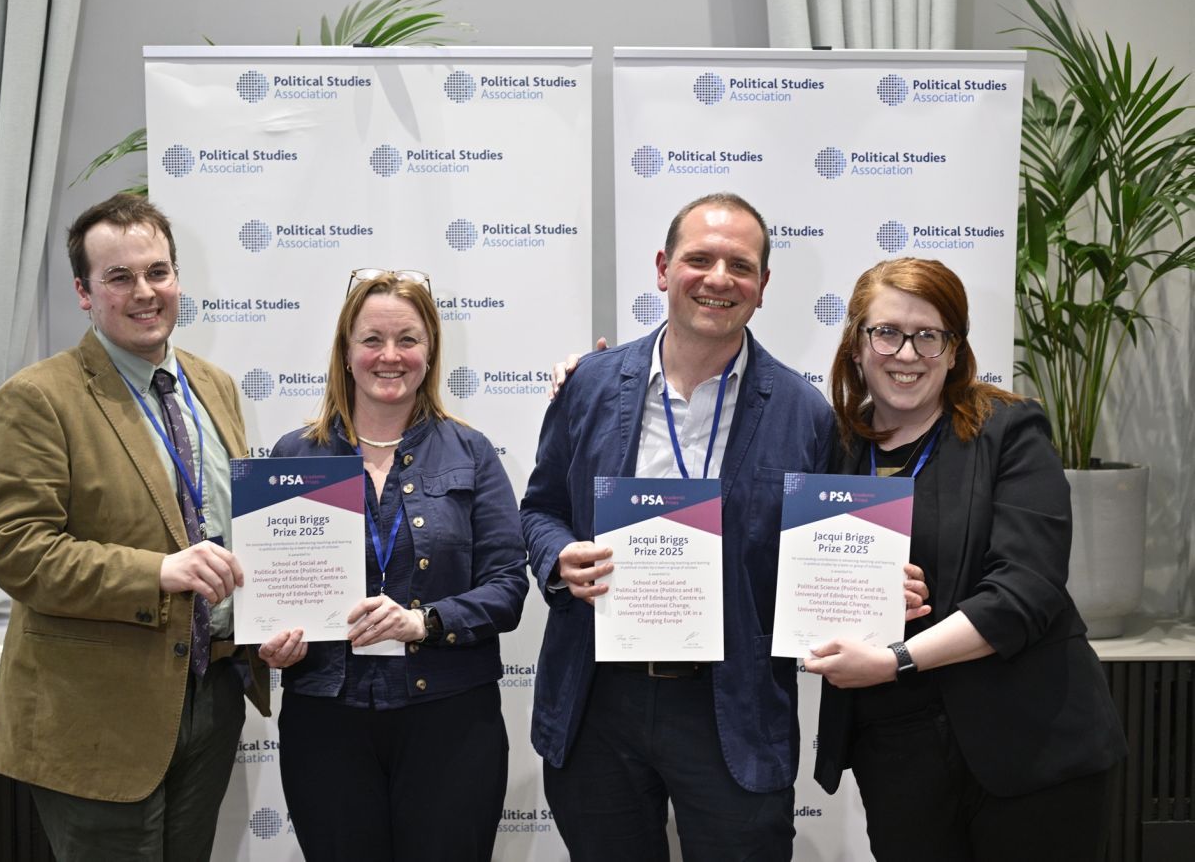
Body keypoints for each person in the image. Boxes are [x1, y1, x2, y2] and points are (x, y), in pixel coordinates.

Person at [0, 193, 301, 861]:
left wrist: (271, 615)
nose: (144, 292)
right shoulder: (39, 398)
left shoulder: (215, 387)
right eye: (119, 277)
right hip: (96, 712)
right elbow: (16, 550)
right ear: (84, 293)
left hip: (210, 696)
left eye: (158, 271)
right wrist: (157, 571)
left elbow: (232, 531)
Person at [521, 192, 836, 862]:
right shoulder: (592, 384)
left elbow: (816, 559)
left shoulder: (806, 414)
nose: (718, 278)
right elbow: (540, 507)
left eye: (740, 266)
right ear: (664, 268)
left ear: (763, 286)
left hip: (732, 704)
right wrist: (557, 557)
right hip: (599, 699)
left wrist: (864, 586)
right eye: (699, 259)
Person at [805, 258, 1126, 861]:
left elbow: (1025, 593)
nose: (907, 352)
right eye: (886, 332)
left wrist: (895, 658)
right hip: (897, 759)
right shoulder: (833, 449)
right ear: (856, 345)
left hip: (1032, 749)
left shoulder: (1008, 431)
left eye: (930, 335)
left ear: (954, 351)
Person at [267, 269, 528, 862]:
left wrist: (424, 622)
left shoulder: (472, 451)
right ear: (346, 350)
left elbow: (509, 586)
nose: (390, 356)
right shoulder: (294, 456)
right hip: (326, 719)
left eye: (407, 339)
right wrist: (274, 639)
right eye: (372, 340)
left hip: (451, 720)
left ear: (430, 351)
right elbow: (270, 593)